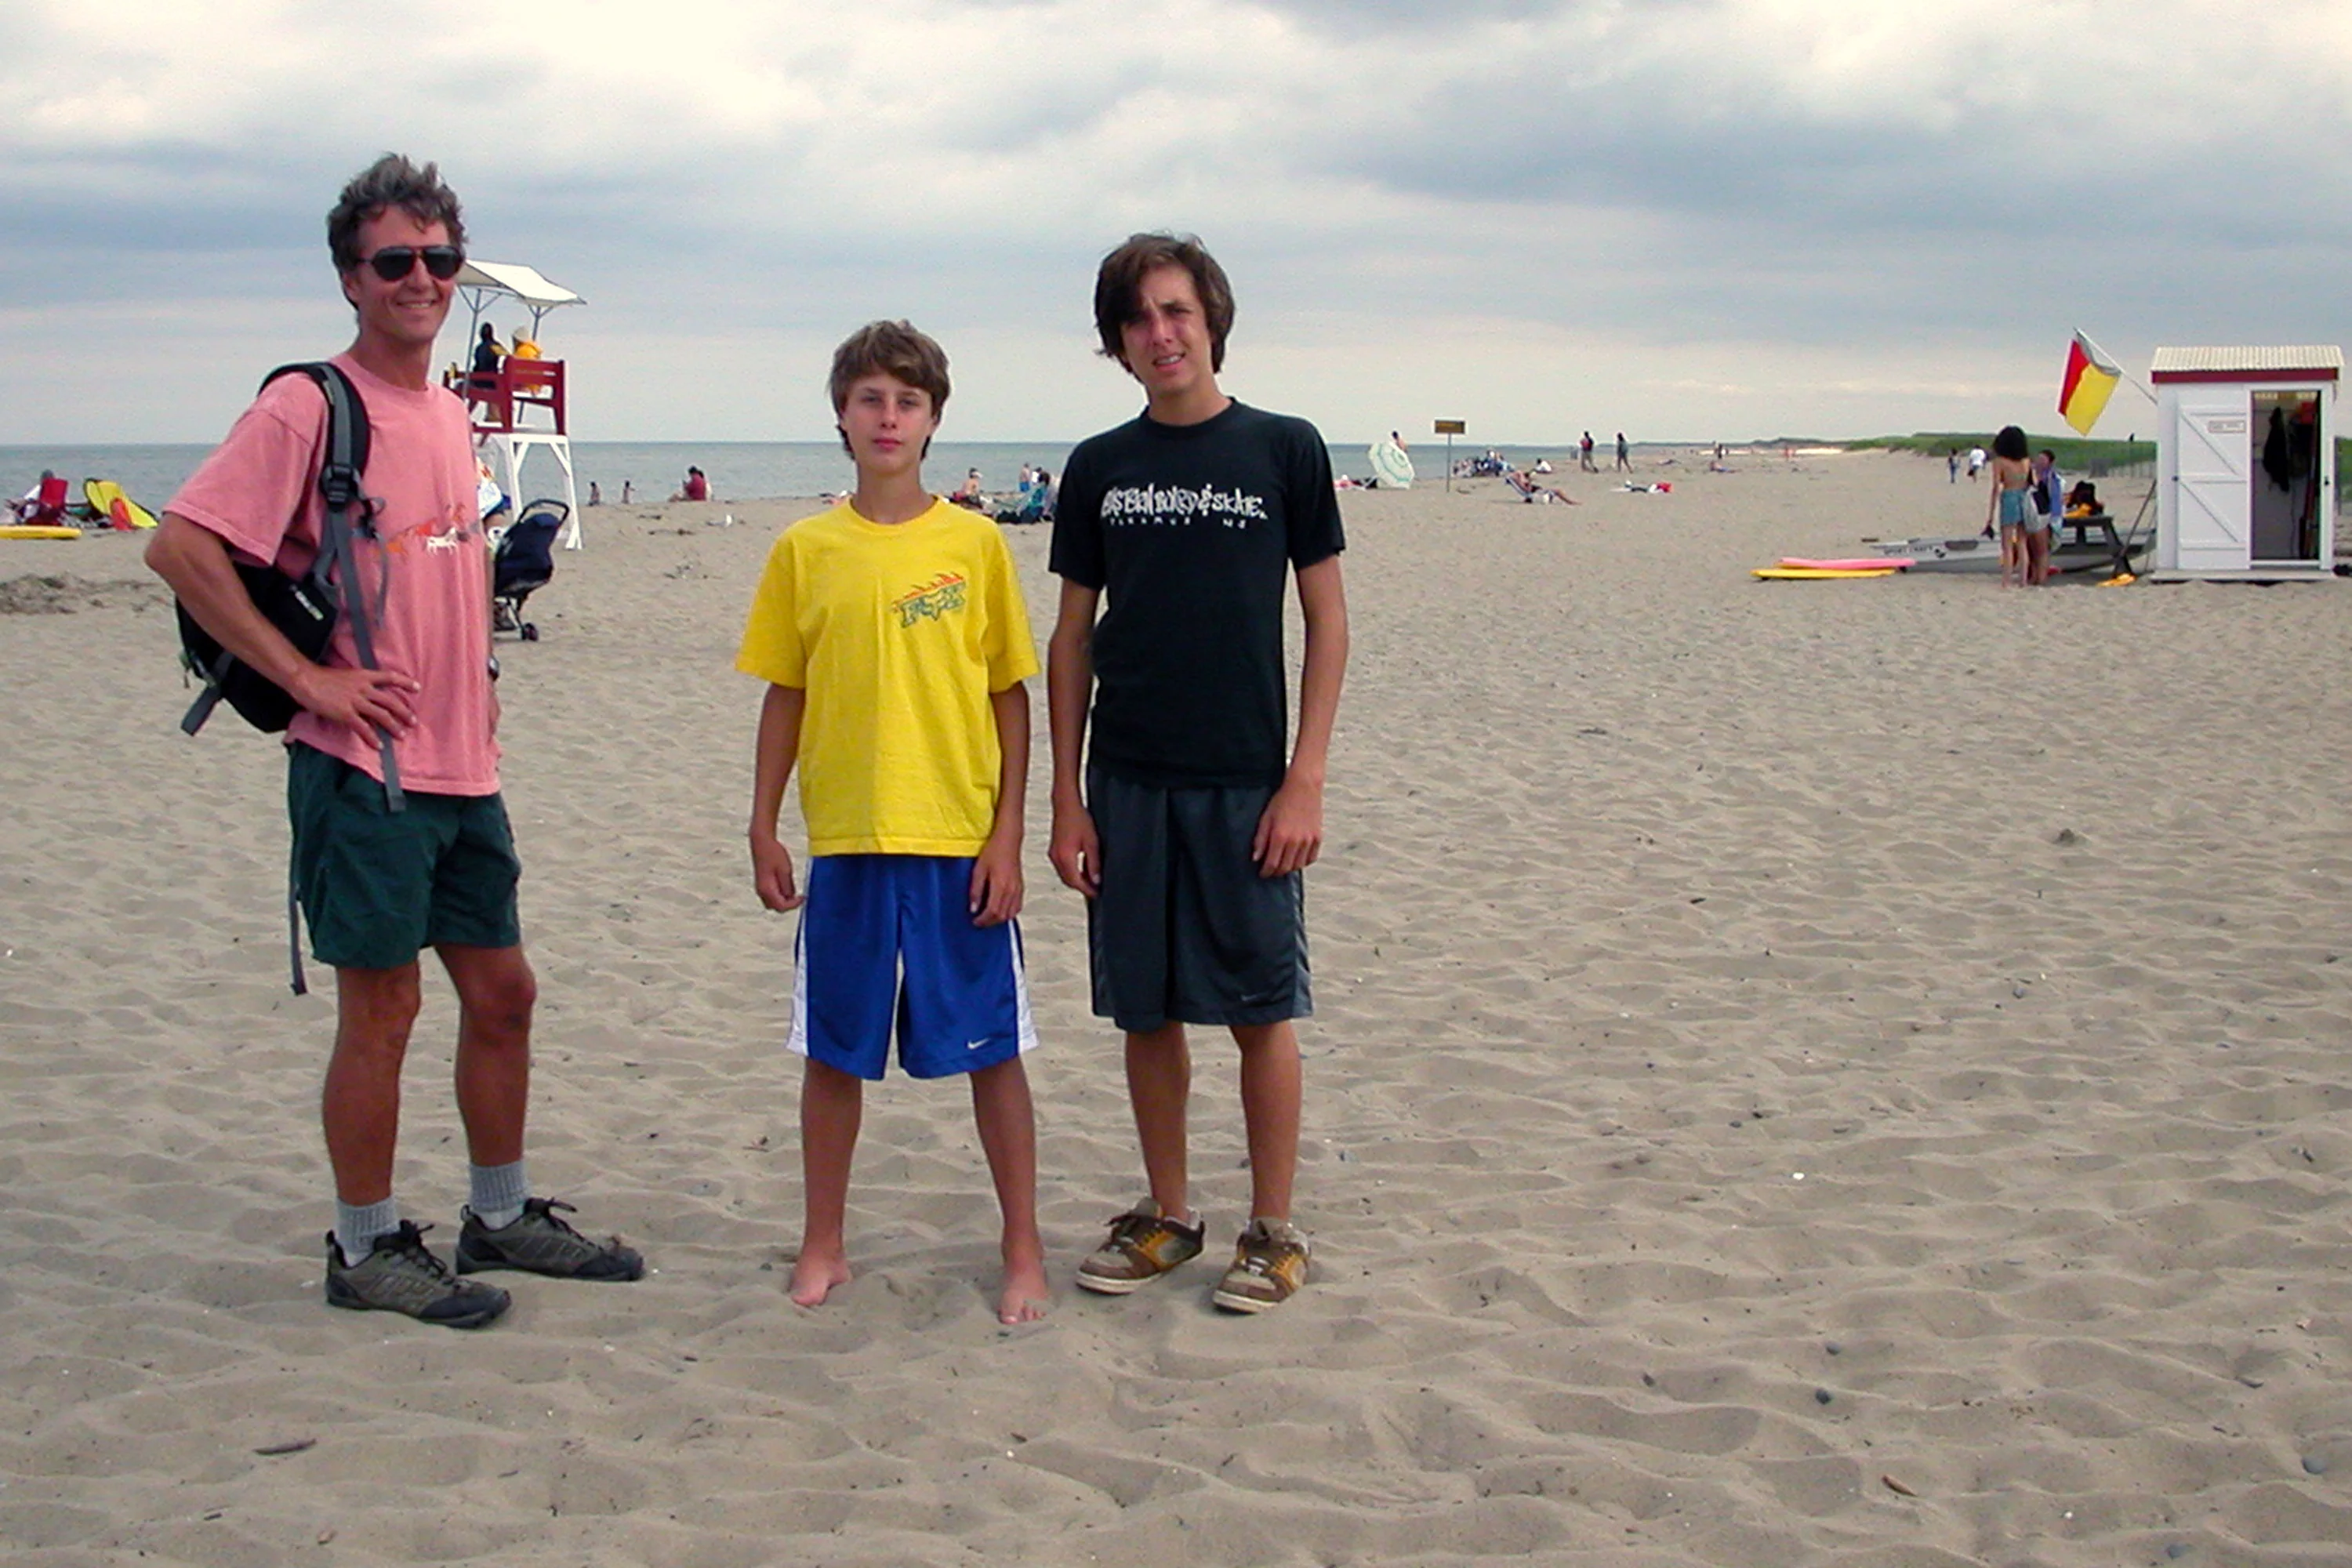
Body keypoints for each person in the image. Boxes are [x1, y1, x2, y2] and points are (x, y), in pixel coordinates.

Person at [143, 154, 643, 1331]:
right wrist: (306, 677)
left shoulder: (453, 415)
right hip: (360, 769)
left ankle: (499, 1215)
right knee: (384, 1007)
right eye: (394, 261)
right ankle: (365, 1245)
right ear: (350, 277)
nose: (420, 279)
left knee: (504, 992)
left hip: (465, 767)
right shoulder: (308, 405)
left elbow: (441, 572)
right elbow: (180, 546)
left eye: (438, 258)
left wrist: (479, 684)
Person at [1047, 232, 1348, 1314]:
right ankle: (1170, 1214)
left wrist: (1304, 778)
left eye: (1176, 311)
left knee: (1263, 1010)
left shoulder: (1284, 448)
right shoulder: (1098, 466)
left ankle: (1273, 1230)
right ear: (1117, 344)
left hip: (1245, 781)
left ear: (1211, 320)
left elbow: (1327, 620)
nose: (1160, 333)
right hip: (1129, 780)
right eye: (1138, 319)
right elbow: (1072, 638)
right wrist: (1067, 798)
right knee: (1147, 1011)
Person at [738, 319, 1048, 1326]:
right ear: (841, 413)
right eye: (870, 398)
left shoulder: (974, 543)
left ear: (933, 420)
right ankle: (823, 1240)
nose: (888, 417)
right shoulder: (806, 549)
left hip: (957, 839)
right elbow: (785, 691)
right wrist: (763, 822)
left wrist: (1007, 832)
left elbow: (1009, 695)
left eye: (907, 401)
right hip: (849, 841)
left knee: (992, 1049)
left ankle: (1022, 1246)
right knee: (835, 1051)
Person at [1985, 424, 2034, 589]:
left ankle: (2006, 581)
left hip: (2009, 497)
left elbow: (1996, 487)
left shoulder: (2000, 462)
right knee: (2022, 542)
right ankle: (2023, 581)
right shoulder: (2026, 461)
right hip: (2024, 497)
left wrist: (1990, 515)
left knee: (2007, 544)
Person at [2028, 448, 2065, 585]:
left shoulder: (2052, 479)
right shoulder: (2032, 474)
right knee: (2032, 549)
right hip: (2033, 515)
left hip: (2045, 516)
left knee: (2042, 550)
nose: (2040, 462)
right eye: (2039, 459)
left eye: (2043, 459)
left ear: (2050, 462)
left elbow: (2055, 501)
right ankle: (2034, 577)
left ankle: (2041, 578)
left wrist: (2053, 520)